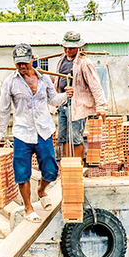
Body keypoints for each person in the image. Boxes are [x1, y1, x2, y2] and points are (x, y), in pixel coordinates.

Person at [0, 43, 69, 223]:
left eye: (25, 63)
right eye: (19, 64)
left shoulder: (45, 79)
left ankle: (41, 190)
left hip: (44, 131)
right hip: (22, 133)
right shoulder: (10, 82)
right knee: (22, 172)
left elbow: (53, 99)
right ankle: (28, 207)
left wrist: (65, 95)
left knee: (51, 169)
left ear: (33, 59)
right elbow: (3, 110)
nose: (22, 67)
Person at [54, 31, 107, 161]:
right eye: (65, 47)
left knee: (75, 137)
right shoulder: (61, 60)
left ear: (78, 47)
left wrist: (101, 106)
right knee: (63, 136)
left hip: (77, 105)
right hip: (63, 104)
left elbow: (95, 85)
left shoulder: (84, 62)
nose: (67, 50)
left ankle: (77, 166)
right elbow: (56, 80)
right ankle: (67, 165)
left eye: (71, 48)